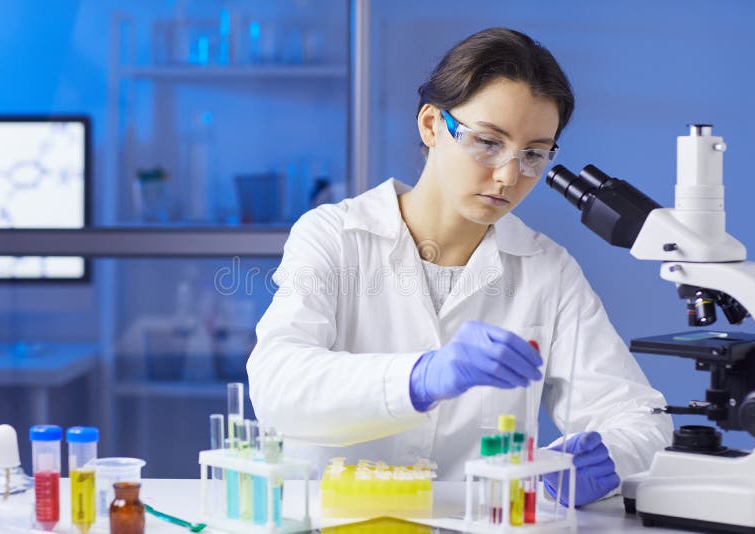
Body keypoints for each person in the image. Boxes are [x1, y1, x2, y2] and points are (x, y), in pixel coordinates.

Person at [247, 27, 673, 506]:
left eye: (533, 154)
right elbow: (278, 386)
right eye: (488, 142)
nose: (509, 176)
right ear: (431, 125)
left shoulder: (546, 271)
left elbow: (640, 417)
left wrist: (612, 455)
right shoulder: (334, 236)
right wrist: (421, 377)